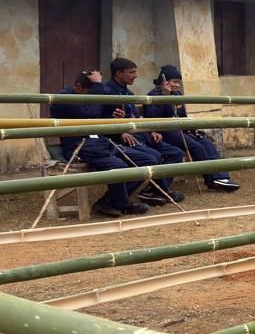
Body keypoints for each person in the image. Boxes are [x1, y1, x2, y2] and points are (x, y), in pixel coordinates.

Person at [51, 70, 149, 218]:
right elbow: (90, 112)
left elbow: (98, 113)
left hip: (100, 143)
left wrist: (115, 117)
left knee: (147, 160)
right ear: (78, 86)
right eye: (91, 92)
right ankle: (123, 205)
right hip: (79, 147)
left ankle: (108, 201)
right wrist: (98, 85)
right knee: (118, 166)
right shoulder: (63, 98)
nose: (93, 96)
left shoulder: (85, 97)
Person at [92, 57, 186, 207]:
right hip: (118, 139)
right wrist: (120, 131)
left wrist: (150, 130)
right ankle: (111, 200)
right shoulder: (106, 92)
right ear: (118, 73)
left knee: (175, 153)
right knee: (152, 158)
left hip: (140, 134)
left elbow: (135, 117)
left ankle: (156, 191)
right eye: (131, 72)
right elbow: (96, 118)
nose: (135, 75)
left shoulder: (128, 92)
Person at [146, 65, 240, 192]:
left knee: (207, 143)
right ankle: (211, 180)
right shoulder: (154, 95)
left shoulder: (177, 94)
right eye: (174, 82)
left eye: (178, 82)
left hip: (180, 130)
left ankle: (221, 177)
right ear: (164, 81)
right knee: (196, 147)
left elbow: (182, 115)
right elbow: (152, 116)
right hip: (165, 132)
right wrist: (165, 96)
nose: (177, 85)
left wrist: (190, 129)